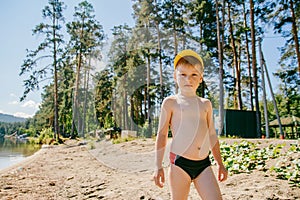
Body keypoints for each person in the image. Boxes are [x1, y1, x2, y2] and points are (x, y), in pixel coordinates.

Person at [153, 49, 228, 200]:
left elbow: (212, 135)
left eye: (194, 75)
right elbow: (161, 135)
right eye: (183, 75)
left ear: (201, 78)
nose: (189, 79)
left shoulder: (205, 104)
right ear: (175, 76)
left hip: (204, 165)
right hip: (179, 164)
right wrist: (158, 165)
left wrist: (220, 163)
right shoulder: (171, 103)